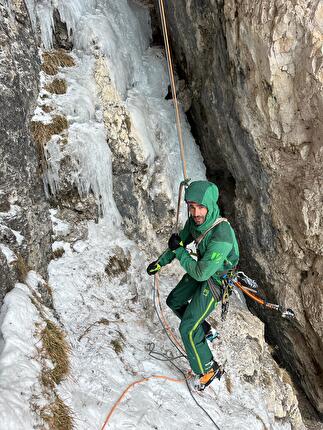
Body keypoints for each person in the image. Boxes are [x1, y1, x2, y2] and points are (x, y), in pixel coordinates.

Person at [147, 180, 239, 390]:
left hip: (215, 279)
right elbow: (178, 242)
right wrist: (160, 262)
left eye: (201, 207)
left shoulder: (221, 235)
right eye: (192, 207)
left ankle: (208, 368)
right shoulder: (195, 222)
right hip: (204, 268)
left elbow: (200, 273)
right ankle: (205, 328)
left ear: (210, 206)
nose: (196, 213)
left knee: (187, 327)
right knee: (174, 301)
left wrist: (180, 252)